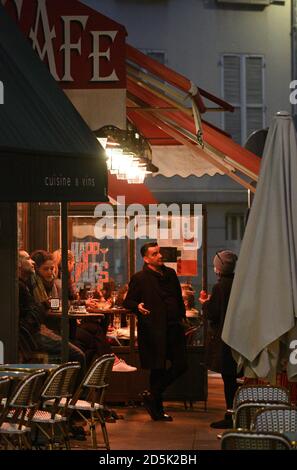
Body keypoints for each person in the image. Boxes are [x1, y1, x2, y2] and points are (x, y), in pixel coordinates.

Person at [124, 242, 188, 421]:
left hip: (174, 327)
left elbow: (177, 297)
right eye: (155, 254)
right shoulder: (140, 278)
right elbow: (127, 302)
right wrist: (138, 306)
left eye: (159, 252)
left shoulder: (170, 274)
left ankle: (152, 394)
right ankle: (157, 410)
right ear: (146, 259)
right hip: (154, 329)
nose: (160, 256)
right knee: (157, 369)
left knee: (181, 365)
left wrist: (182, 317)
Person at [51, 249, 137, 372]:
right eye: (73, 263)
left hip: (69, 325)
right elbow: (61, 304)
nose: (74, 266)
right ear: (68, 263)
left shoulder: (61, 281)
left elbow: (65, 303)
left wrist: (83, 304)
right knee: (95, 334)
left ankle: (90, 371)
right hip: (63, 328)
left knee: (94, 336)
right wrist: (84, 303)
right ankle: (109, 364)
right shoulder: (60, 282)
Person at [18, 250, 86, 371]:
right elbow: (35, 314)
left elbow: (61, 302)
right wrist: (42, 306)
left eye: (52, 268)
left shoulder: (51, 285)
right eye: (46, 269)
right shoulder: (26, 284)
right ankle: (73, 388)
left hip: (44, 329)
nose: (51, 272)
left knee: (84, 344)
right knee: (79, 352)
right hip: (32, 334)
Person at [199, 250, 239, 429]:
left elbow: (213, 314)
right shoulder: (238, 283)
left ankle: (230, 416)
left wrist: (204, 303)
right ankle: (237, 413)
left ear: (219, 267)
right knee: (234, 379)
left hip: (224, 339)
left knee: (228, 379)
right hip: (237, 337)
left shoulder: (220, 286)